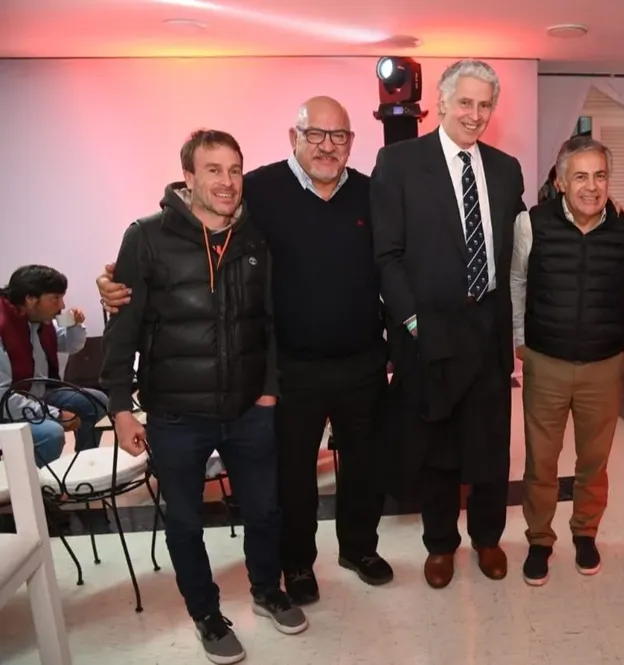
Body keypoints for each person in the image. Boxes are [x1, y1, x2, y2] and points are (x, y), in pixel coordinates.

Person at [96, 97, 393, 605]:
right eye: (316, 134)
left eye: (339, 136)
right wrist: (113, 280)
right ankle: (297, 563)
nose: (327, 145)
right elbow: (189, 223)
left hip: (362, 360)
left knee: (365, 467)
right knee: (292, 477)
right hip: (287, 367)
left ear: (351, 142)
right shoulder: (257, 190)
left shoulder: (372, 193)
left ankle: (359, 549)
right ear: (293, 136)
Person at [100, 129, 307, 664]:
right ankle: (207, 614)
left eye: (235, 170)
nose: (227, 181)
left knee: (265, 511)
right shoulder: (145, 237)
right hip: (175, 415)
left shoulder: (255, 238)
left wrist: (267, 391)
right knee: (186, 522)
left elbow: (269, 323)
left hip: (248, 411)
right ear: (187, 177)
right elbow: (123, 330)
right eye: (213, 170)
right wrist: (121, 408)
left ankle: (266, 589)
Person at [370, 59, 525, 589]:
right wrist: (411, 324)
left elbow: (520, 244)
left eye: (485, 105)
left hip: (487, 331)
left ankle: (487, 539)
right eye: (466, 102)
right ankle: (440, 545)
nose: (475, 114)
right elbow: (387, 256)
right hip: (428, 332)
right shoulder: (399, 163)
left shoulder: (507, 170)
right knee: (436, 448)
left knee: (489, 446)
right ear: (441, 101)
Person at [512, 136, 624, 586]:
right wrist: (520, 341)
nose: (591, 186)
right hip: (546, 361)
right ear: (561, 181)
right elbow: (517, 280)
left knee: (594, 461)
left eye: (600, 176)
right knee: (541, 461)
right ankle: (539, 540)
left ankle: (585, 532)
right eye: (580, 176)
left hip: (604, 366)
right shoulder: (531, 224)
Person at [0, 265, 107, 466]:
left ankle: (82, 465)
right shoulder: (3, 327)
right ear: (30, 299)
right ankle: (33, 490)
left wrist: (74, 325)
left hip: (38, 393)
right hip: (6, 408)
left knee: (96, 401)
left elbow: (69, 344)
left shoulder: (37, 320)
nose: (61, 305)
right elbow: (2, 397)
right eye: (55, 298)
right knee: (51, 433)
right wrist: (55, 414)